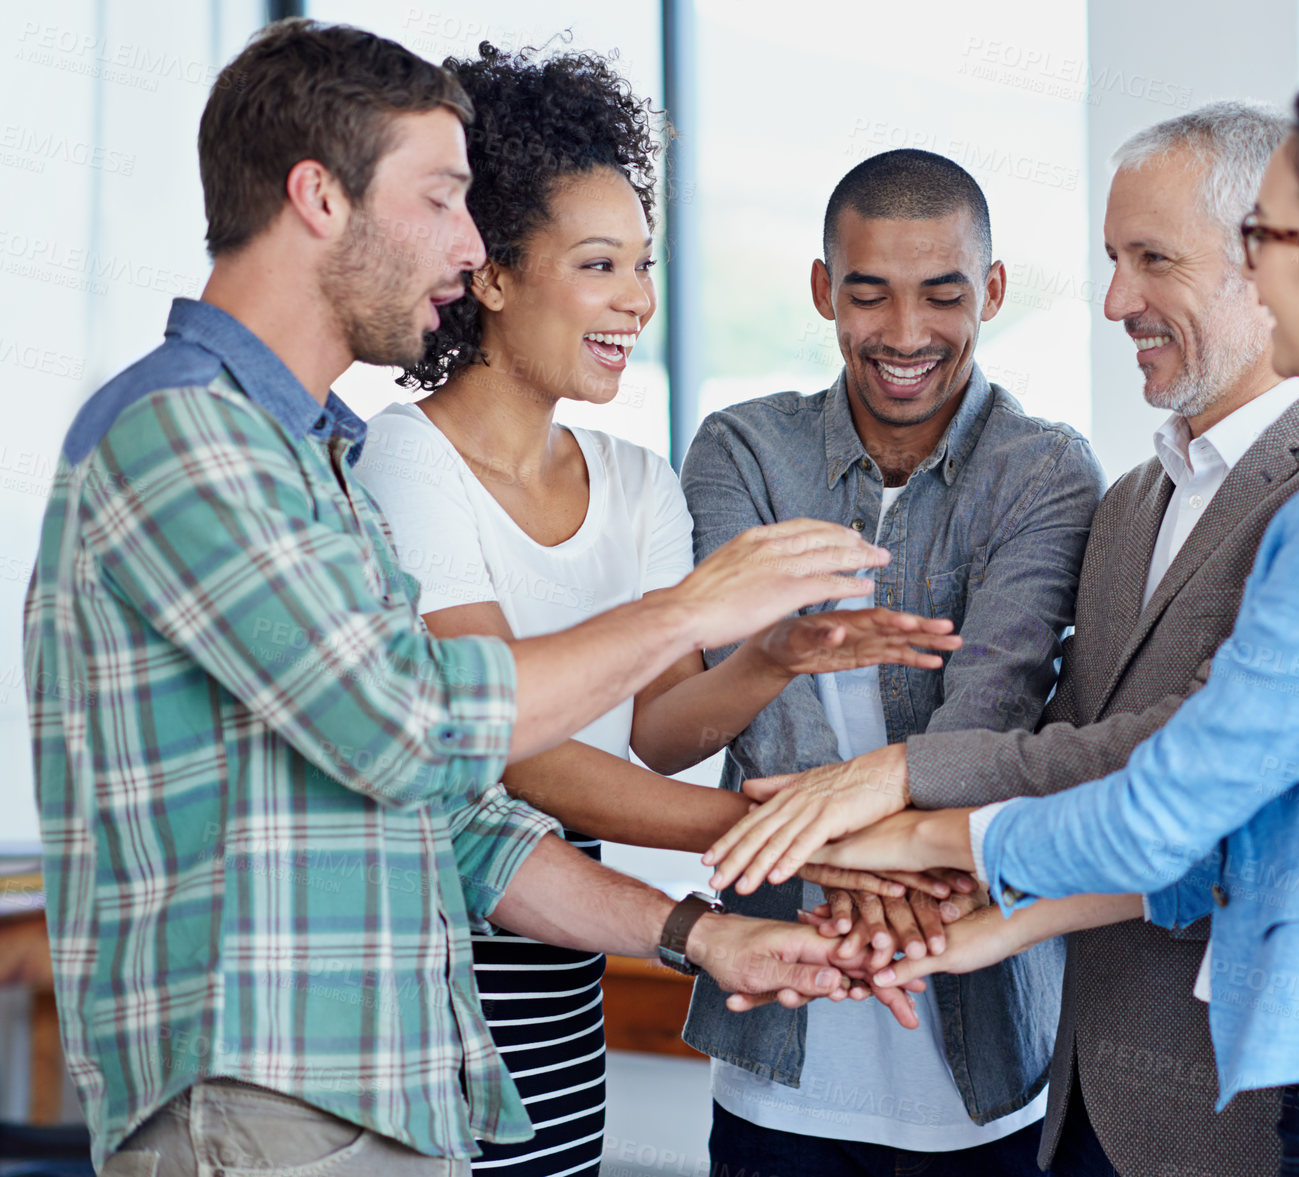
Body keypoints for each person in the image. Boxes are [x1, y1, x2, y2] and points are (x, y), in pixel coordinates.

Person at [710, 55, 1299, 1176]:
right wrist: (1007, 914)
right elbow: (1267, 820)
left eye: (1264, 243)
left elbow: (1172, 805)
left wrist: (904, 822)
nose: (1117, 298)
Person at [24, 21, 896, 1177]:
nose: (470, 237)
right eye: (440, 197)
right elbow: (417, 722)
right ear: (318, 199)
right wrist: (688, 612)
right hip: (265, 1105)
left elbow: (454, 815)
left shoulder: (304, 465)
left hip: (391, 1098)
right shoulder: (183, 437)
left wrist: (702, 934)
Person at [710, 102, 1299, 1176]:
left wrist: (905, 796)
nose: (1114, 303)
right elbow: (1070, 736)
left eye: (1151, 260)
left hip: (1253, 1111)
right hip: (1083, 1102)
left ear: (1266, 263)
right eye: (1112, 260)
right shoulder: (1132, 502)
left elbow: (1194, 756)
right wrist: (967, 900)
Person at [355, 43, 962, 1177]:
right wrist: (780, 836)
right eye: (599, 265)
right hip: (438, 949)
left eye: (643, 264)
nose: (637, 300)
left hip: (567, 943)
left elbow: (660, 730)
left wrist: (774, 655)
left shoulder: (633, 479)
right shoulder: (405, 463)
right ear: (489, 273)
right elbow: (502, 746)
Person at [680, 149, 1105, 1175]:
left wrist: (858, 848)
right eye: (868, 295)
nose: (905, 336)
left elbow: (989, 714)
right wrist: (866, 867)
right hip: (779, 1044)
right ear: (825, 289)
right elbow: (758, 700)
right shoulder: (739, 449)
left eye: (942, 296)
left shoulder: (1044, 466)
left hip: (987, 1056)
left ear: (992, 292)